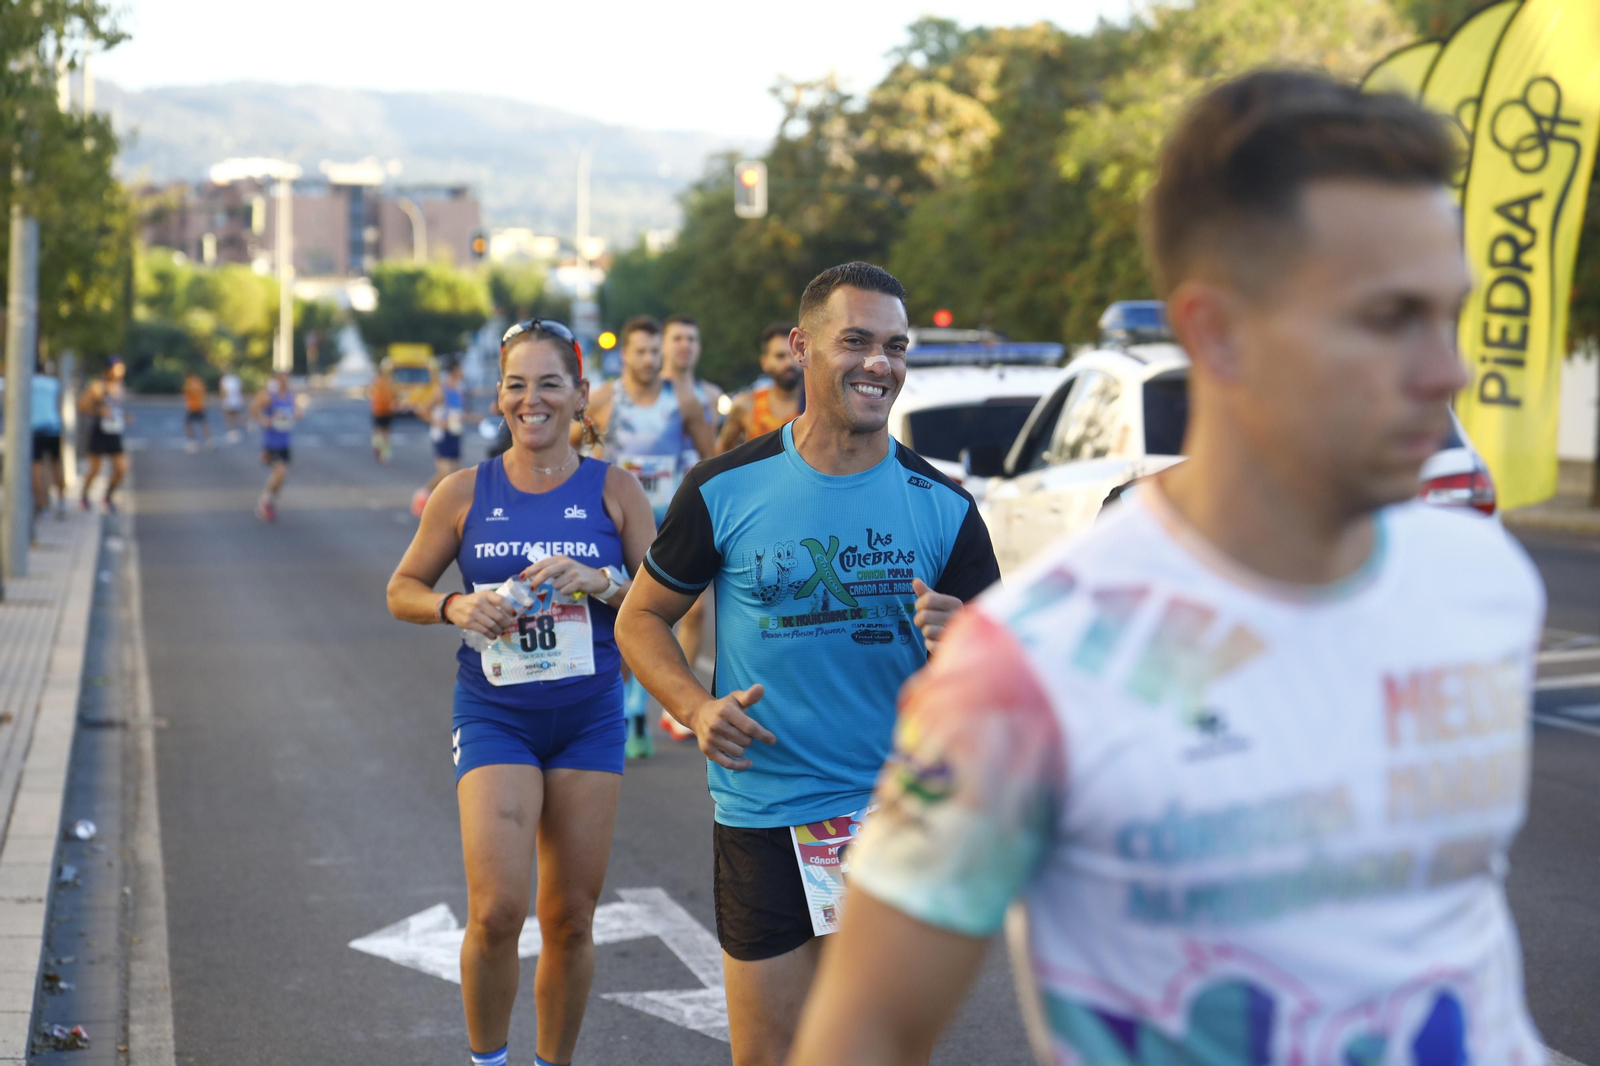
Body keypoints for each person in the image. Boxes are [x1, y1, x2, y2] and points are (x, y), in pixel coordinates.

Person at [788, 71, 1548, 1066]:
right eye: (1384, 318)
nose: (1446, 371)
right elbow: (864, 1036)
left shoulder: (1483, 585)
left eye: (1447, 315)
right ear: (1217, 331)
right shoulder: (1027, 669)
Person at [615, 262, 1000, 1066]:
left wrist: (968, 635)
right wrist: (695, 705)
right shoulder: (725, 488)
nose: (878, 364)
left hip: (895, 816)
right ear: (801, 347)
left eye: (895, 347)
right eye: (854, 341)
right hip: (765, 810)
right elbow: (641, 617)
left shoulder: (946, 505)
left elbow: (1008, 680)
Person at [387, 318, 653, 1066]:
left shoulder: (618, 491)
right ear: (498, 396)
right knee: (498, 911)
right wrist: (455, 605)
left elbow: (668, 599)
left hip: (589, 717)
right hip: (496, 713)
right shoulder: (465, 491)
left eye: (548, 383)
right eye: (515, 385)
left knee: (569, 919)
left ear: (579, 394)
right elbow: (401, 589)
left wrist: (597, 579)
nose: (530, 399)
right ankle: (488, 1061)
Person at [586, 315, 716, 758]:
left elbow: (710, 459)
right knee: (629, 612)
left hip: (671, 522)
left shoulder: (681, 400)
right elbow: (571, 447)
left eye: (654, 352)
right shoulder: (604, 401)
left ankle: (645, 708)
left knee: (677, 613)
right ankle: (629, 710)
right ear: (624, 354)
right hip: (620, 522)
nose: (648, 359)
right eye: (640, 351)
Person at [715, 322, 803, 454]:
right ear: (764, 362)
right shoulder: (746, 404)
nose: (789, 363)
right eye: (780, 356)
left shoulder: (819, 406)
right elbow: (721, 451)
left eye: (793, 354)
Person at [413, 363, 470, 516]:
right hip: (442, 435)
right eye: (461, 368)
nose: (464, 372)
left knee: (455, 474)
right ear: (454, 371)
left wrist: (474, 418)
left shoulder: (459, 390)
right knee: (445, 473)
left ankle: (449, 507)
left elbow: (460, 413)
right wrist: (440, 423)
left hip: (455, 434)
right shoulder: (442, 390)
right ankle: (424, 495)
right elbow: (422, 410)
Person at [78, 357, 130, 513]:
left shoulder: (121, 387)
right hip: (99, 432)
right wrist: (99, 411)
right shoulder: (97, 386)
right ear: (108, 370)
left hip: (114, 432)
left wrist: (125, 416)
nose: (120, 372)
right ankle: (84, 495)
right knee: (95, 468)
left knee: (122, 468)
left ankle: (108, 496)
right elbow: (82, 405)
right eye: (116, 368)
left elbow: (117, 408)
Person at [250, 371, 300, 523]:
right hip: (272, 443)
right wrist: (264, 419)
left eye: (287, 379)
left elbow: (298, 412)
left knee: (281, 477)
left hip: (285, 443)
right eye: (282, 379)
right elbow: (253, 408)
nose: (285, 382)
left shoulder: (290, 396)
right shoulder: (268, 396)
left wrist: (295, 415)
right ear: (277, 380)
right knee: (280, 472)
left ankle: (268, 502)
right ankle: (263, 503)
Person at [31, 361, 65, 518]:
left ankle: (42, 505)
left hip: (36, 428)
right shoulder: (53, 383)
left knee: (36, 469)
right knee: (56, 465)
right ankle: (62, 501)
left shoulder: (27, 382)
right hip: (53, 426)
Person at [370, 368, 397, 463]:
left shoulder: (376, 383)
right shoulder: (389, 383)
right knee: (385, 432)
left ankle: (378, 448)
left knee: (378, 431)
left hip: (378, 411)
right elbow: (394, 396)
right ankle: (385, 453)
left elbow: (371, 395)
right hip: (387, 411)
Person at [182, 370, 211, 451]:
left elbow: (188, 393)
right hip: (200, 405)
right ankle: (209, 440)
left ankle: (192, 441)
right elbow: (203, 393)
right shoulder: (199, 382)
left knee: (188, 424)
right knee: (203, 423)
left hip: (193, 406)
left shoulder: (190, 383)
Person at [219, 369, 245, 442]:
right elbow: (240, 389)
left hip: (228, 401)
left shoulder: (224, 380)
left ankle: (232, 432)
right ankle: (236, 430)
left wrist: (223, 400)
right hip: (237, 401)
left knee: (228, 417)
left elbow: (223, 391)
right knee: (235, 416)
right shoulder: (236, 379)